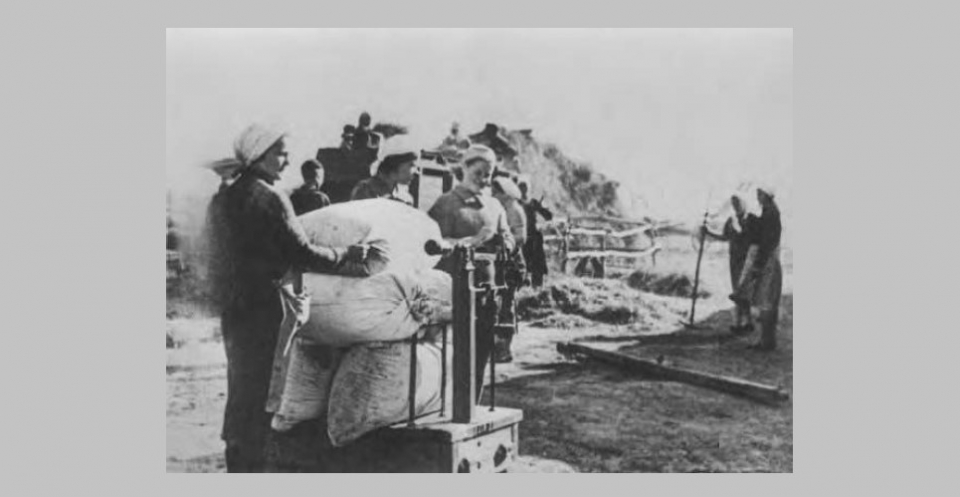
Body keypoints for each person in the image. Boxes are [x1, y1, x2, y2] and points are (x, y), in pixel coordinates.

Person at [202, 124, 373, 472]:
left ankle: (237, 460)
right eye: (280, 153)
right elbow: (303, 253)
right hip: (266, 308)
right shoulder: (270, 197)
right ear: (259, 156)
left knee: (241, 386)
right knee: (267, 390)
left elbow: (213, 256)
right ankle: (253, 465)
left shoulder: (223, 198)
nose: (287, 160)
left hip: (235, 309)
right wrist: (346, 254)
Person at [428, 145, 515, 389]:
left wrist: (504, 242)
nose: (484, 179)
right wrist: (474, 240)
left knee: (482, 350)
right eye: (478, 173)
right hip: (455, 289)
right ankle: (447, 400)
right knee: (453, 352)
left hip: (487, 291)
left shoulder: (494, 206)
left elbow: (509, 238)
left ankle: (473, 400)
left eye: (488, 174)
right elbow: (433, 244)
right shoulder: (447, 203)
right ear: (464, 168)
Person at [731, 185, 783, 351]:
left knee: (766, 303)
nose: (757, 196)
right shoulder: (770, 212)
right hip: (769, 261)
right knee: (766, 303)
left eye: (759, 194)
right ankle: (765, 341)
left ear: (766, 195)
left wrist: (758, 265)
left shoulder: (770, 213)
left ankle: (766, 342)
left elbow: (767, 241)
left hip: (768, 262)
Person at [702, 192, 760, 333]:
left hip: (748, 260)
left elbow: (755, 240)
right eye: (734, 204)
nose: (736, 206)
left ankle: (747, 322)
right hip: (734, 260)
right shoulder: (730, 220)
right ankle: (739, 324)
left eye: (738, 203)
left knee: (743, 292)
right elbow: (724, 237)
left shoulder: (752, 220)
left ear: (744, 204)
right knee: (737, 292)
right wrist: (708, 232)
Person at [490, 176, 528, 363]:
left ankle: (504, 349)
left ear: (505, 193)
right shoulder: (501, 208)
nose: (493, 194)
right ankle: (496, 346)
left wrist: (504, 244)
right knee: (496, 305)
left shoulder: (514, 209)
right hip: (499, 262)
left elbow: (521, 237)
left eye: (496, 192)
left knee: (506, 305)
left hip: (511, 264)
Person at [518, 180, 554, 288]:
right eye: (521, 189)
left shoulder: (532, 202)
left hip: (533, 237)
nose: (524, 191)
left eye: (525, 189)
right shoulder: (516, 203)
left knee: (537, 264)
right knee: (522, 263)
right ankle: (522, 286)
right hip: (521, 237)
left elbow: (548, 216)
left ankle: (537, 287)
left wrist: (540, 207)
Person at [349, 149, 417, 205]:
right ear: (393, 170)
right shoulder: (365, 189)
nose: (416, 171)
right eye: (411, 165)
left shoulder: (404, 197)